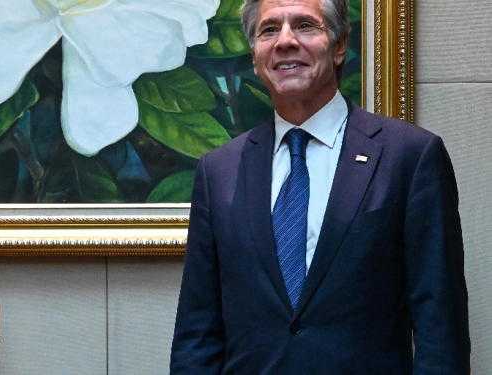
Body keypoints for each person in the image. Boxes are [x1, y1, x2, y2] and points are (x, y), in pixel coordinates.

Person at [170, 0, 470, 373]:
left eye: (304, 26)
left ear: (340, 45)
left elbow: (439, 327)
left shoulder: (409, 157)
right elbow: (197, 333)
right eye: (268, 30)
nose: (284, 41)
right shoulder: (219, 171)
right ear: (254, 56)